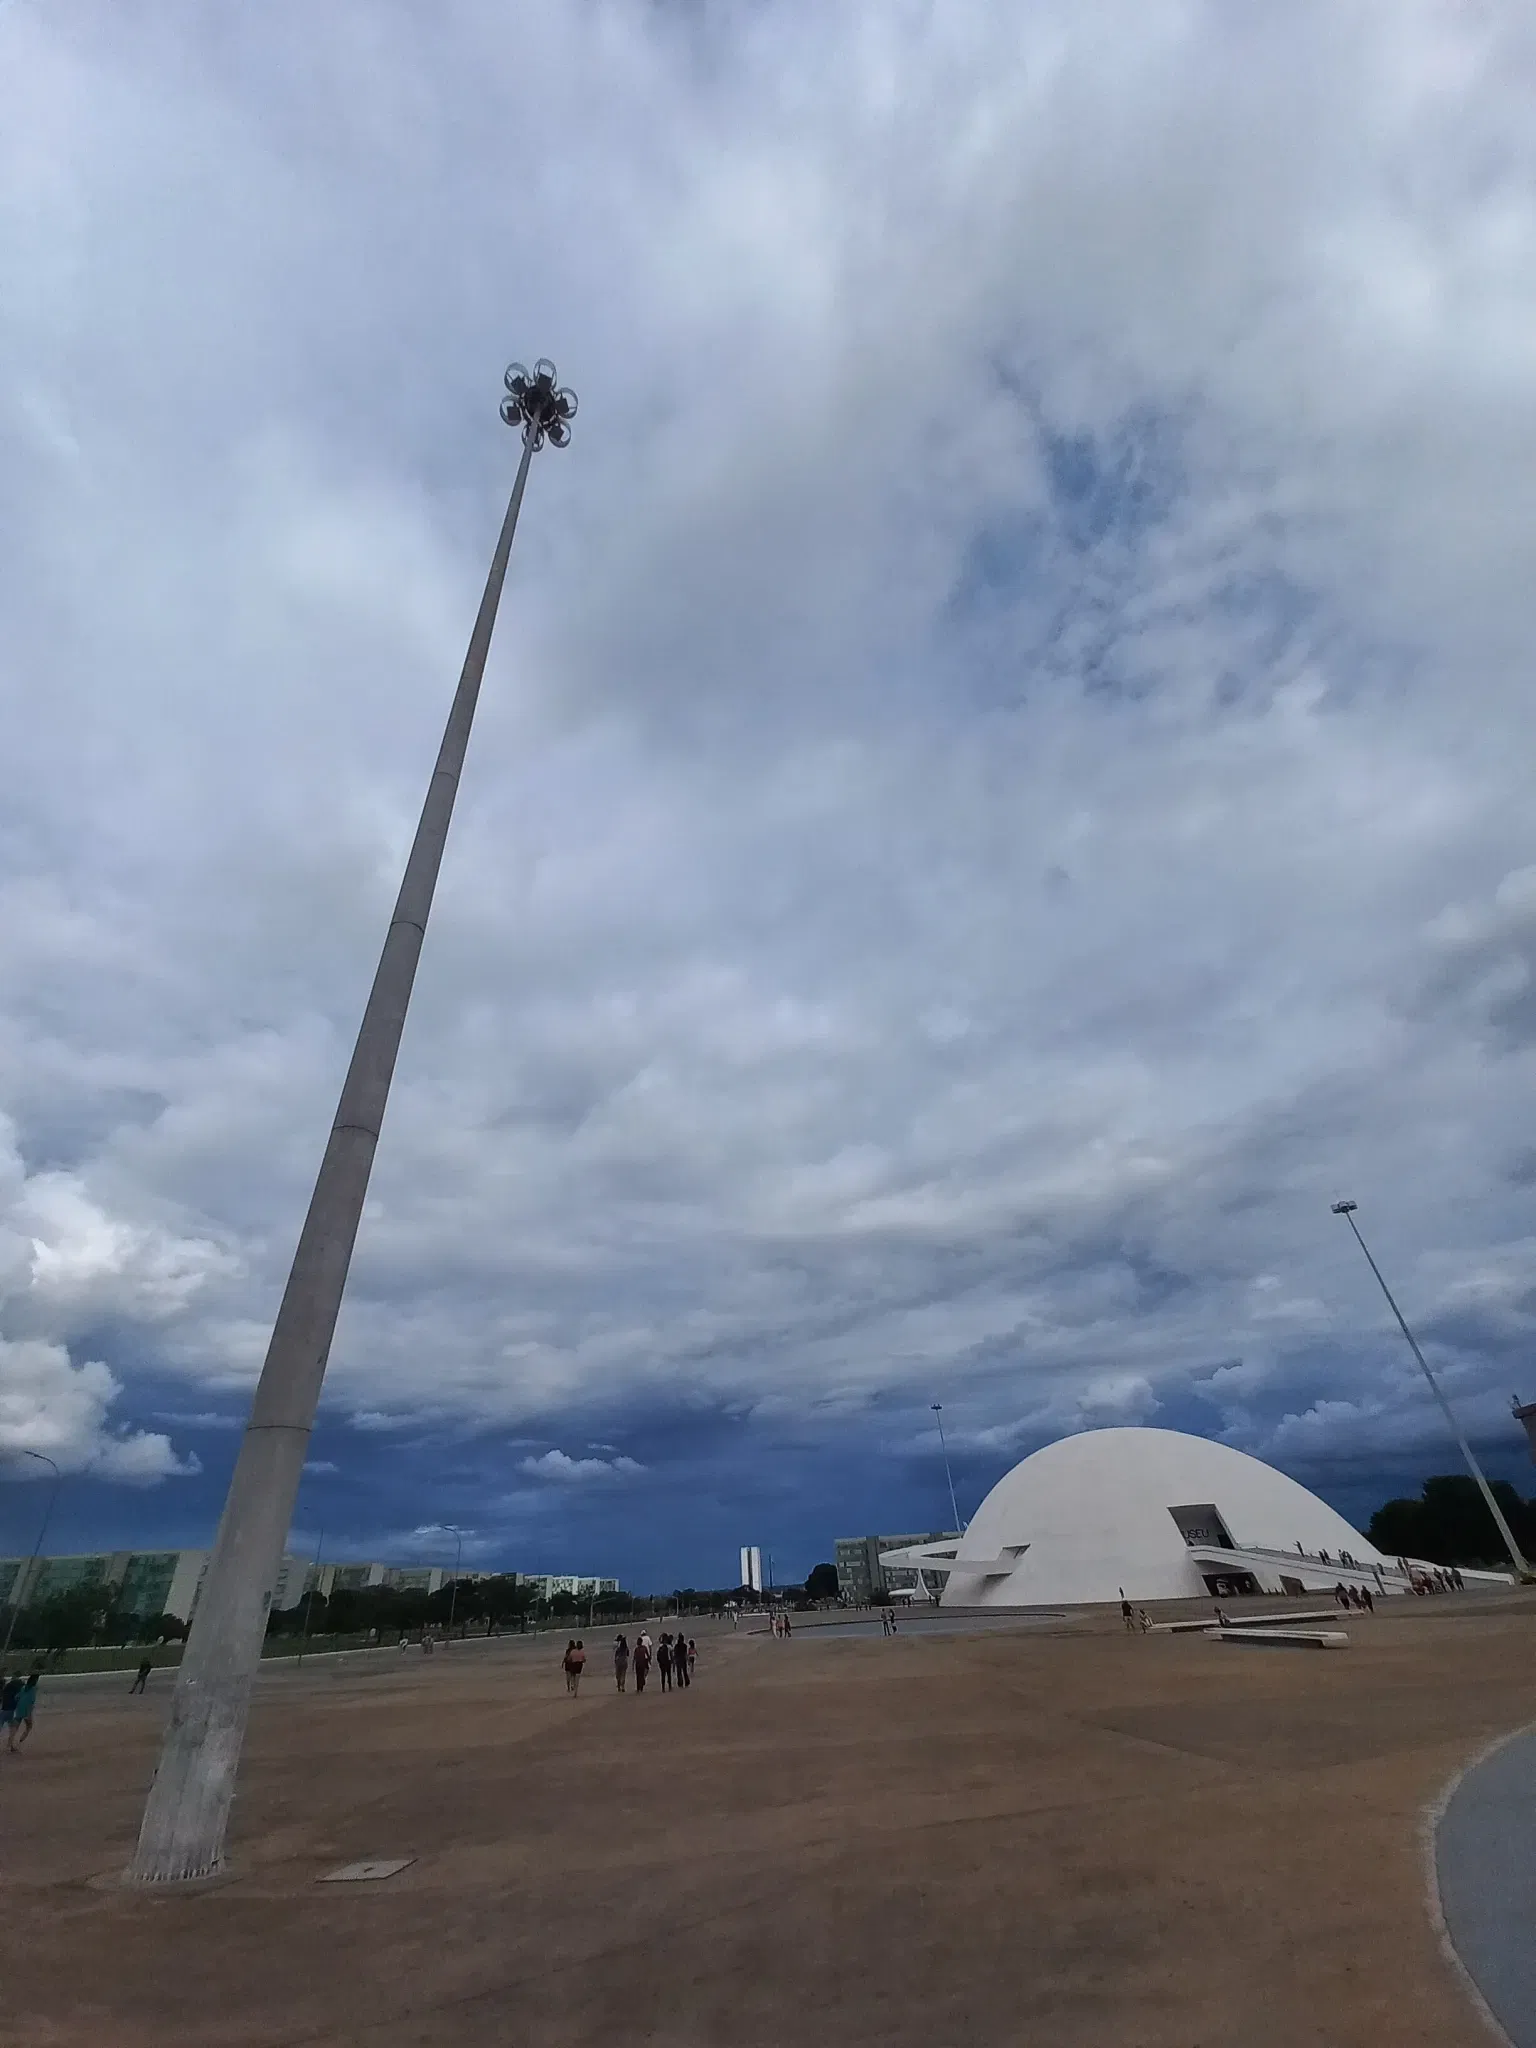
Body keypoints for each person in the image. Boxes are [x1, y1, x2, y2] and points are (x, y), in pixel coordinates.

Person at [8, 1670, 39, 1752]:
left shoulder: (23, 1687)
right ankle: (22, 1738)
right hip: (26, 1710)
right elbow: (31, 1702)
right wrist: (28, 1714)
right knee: (29, 1726)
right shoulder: (33, 1689)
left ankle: (10, 1744)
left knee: (15, 1727)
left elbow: (16, 1697)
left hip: (19, 1709)